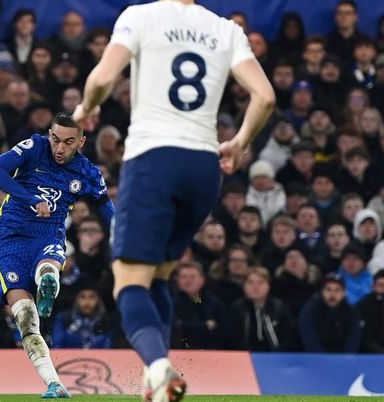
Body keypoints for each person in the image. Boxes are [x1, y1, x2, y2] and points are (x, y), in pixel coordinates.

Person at [73, 1, 275, 400]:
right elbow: (265, 96)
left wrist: (86, 108)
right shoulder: (226, 29)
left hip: (154, 158)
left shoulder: (140, 16)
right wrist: (240, 142)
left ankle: (159, 366)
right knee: (159, 275)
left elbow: (102, 76)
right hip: (204, 164)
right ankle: (158, 377)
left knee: (129, 280)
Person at [0, 111, 114, 398]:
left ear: (81, 141)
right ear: (49, 135)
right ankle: (54, 384)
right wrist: (31, 198)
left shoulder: (88, 173)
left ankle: (48, 283)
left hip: (48, 234)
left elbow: (108, 212)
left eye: (68, 142)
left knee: (49, 264)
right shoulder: (34, 147)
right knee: (25, 317)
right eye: (55, 139)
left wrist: (125, 239)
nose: (59, 148)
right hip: (10, 239)